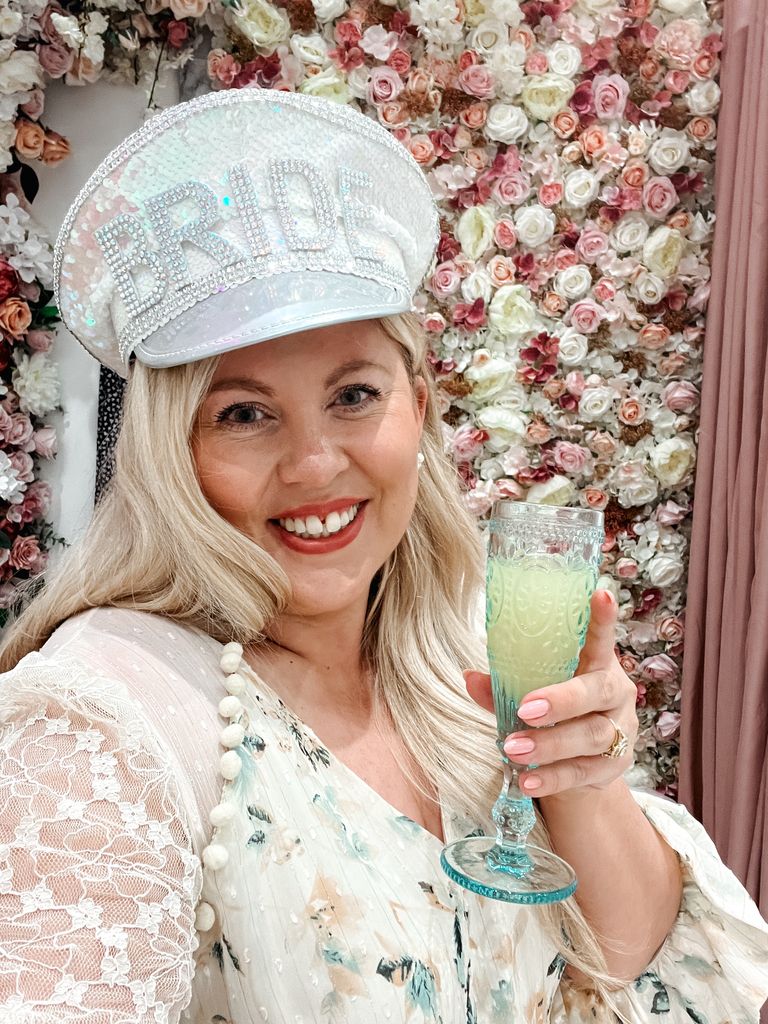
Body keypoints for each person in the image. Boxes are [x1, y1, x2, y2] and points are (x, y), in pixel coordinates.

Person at [0, 89, 765, 1024]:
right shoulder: (105, 717)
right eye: (243, 413)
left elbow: (635, 956)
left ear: (420, 403)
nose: (316, 464)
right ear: (170, 451)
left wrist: (585, 781)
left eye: (353, 395)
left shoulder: (462, 645)